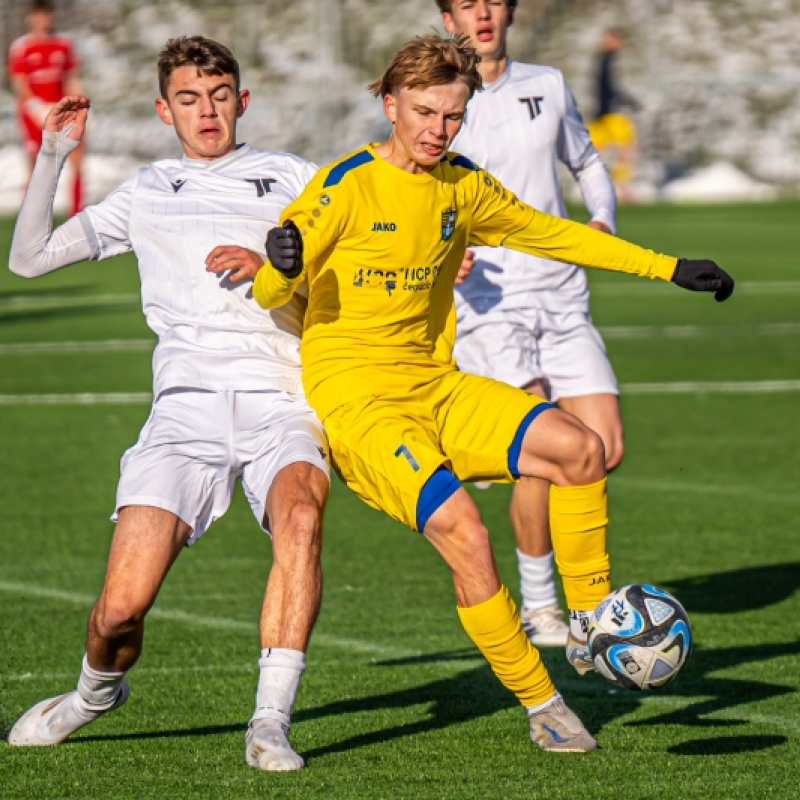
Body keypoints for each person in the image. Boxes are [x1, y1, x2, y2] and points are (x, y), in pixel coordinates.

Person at [253, 34, 733, 752]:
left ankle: (589, 620)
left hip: (437, 387)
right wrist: (281, 266)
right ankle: (543, 705)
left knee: (581, 450)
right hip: (361, 405)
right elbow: (271, 289)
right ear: (390, 105)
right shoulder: (345, 183)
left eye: (452, 116)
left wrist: (667, 267)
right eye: (423, 113)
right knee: (468, 536)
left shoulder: (462, 184)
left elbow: (553, 234)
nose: (436, 131)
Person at [6, 36, 330, 773]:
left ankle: (270, 722)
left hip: (284, 398)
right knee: (119, 609)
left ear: (242, 101)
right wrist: (53, 155)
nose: (206, 111)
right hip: (184, 411)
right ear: (164, 110)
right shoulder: (148, 190)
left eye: (219, 96)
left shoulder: (298, 181)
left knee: (302, 520)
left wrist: (283, 271)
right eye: (189, 98)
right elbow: (28, 259)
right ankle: (92, 697)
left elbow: (361, 264)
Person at [435, 0, 618, 648]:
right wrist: (443, 253)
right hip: (491, 302)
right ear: (446, 14)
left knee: (605, 446)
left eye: (491, 1)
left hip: (563, 294)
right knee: (545, 446)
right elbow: (419, 192)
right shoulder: (442, 102)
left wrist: (601, 222)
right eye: (464, 3)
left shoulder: (547, 84)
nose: (481, 14)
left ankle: (580, 608)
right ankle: (549, 609)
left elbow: (589, 163)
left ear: (509, 10)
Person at [8, 0, 85, 217]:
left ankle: (76, 215)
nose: (43, 21)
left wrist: (80, 103)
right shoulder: (21, 47)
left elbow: (71, 78)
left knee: (77, 157)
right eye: (39, 16)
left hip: (61, 110)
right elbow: (19, 82)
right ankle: (31, 218)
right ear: (30, 18)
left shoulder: (63, 44)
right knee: (35, 166)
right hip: (34, 113)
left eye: (47, 15)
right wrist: (35, 107)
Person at [587, 27, 640, 201]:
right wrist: (624, 99)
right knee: (627, 145)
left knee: (598, 151)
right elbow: (607, 88)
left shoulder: (603, 59)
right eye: (614, 39)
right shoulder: (607, 60)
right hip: (608, 112)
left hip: (599, 112)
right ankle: (620, 185)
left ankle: (595, 187)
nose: (618, 44)